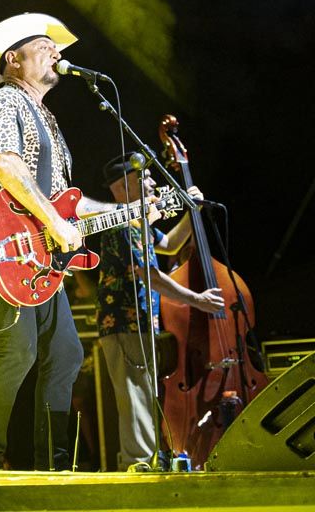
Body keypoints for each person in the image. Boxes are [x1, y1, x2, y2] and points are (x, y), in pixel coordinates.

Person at [0, 12, 117, 471]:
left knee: (65, 352)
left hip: (39, 262)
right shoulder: (3, 102)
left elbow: (67, 201)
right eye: (42, 45)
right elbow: (7, 166)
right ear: (13, 60)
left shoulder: (46, 118)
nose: (55, 51)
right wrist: (55, 222)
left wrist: (126, 214)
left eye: (55, 46)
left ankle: (54, 464)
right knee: (17, 353)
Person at [95, 153, 223, 471]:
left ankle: (147, 463)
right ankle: (138, 466)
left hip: (140, 322)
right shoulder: (122, 222)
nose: (154, 182)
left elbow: (169, 244)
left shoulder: (140, 224)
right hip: (125, 322)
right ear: (125, 185)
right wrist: (197, 299)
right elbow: (149, 273)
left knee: (143, 395)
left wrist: (192, 214)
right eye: (146, 177)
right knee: (134, 398)